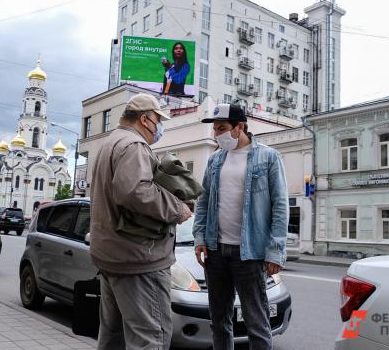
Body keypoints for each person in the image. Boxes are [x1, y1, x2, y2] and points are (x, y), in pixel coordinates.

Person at [89, 93, 193, 349]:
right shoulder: (133, 145)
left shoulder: (110, 142)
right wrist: (178, 208)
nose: (160, 127)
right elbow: (135, 191)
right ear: (146, 119)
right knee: (151, 338)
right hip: (139, 260)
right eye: (159, 120)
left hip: (113, 256)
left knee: (114, 338)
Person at [192, 103, 289, 350]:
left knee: (256, 322)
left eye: (222, 128)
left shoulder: (268, 157)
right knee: (219, 321)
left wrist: (275, 251)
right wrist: (200, 238)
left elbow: (280, 206)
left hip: (250, 253)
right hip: (215, 251)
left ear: (240, 127)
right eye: (215, 129)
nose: (217, 134)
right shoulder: (215, 160)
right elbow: (203, 201)